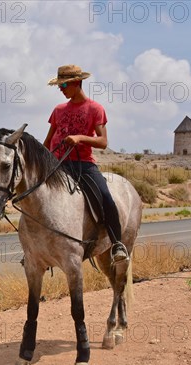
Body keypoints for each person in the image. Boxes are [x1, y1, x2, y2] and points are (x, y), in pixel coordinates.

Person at [43, 64, 128, 263]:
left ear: (76, 83)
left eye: (63, 85)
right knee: (36, 196)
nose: (60, 89)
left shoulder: (95, 109)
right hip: (57, 166)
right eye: (59, 85)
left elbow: (103, 142)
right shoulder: (58, 110)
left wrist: (80, 137)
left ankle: (117, 245)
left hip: (83, 165)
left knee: (106, 197)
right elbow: (47, 142)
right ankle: (36, 249)